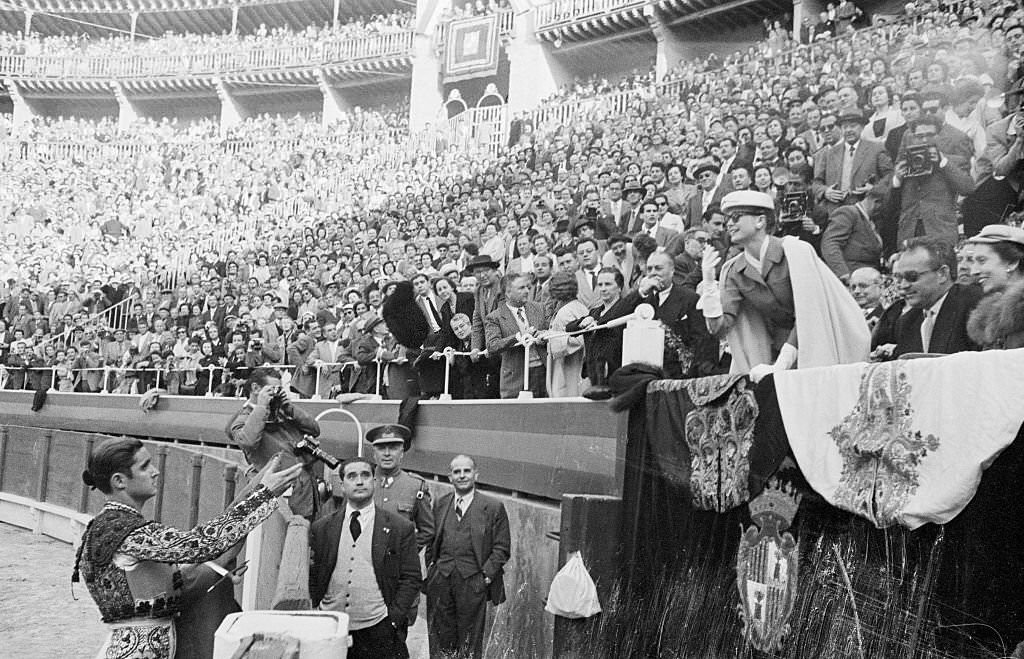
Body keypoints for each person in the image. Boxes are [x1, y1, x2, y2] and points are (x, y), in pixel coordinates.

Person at [74, 437, 301, 659]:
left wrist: (214, 572)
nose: (155, 471)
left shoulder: (118, 525)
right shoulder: (120, 530)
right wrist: (263, 495)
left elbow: (158, 584)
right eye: (144, 467)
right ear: (119, 481)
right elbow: (201, 544)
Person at [699, 190, 869, 377]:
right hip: (775, 355)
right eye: (727, 219)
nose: (729, 224)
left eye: (736, 217)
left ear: (760, 221)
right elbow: (720, 328)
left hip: (820, 346)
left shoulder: (795, 252)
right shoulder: (734, 270)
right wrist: (708, 282)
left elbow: (810, 313)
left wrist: (782, 364)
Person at [309, 457, 421, 659]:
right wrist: (317, 609)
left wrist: (393, 619)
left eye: (365, 475)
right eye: (352, 476)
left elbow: (411, 577)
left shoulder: (399, 527)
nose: (359, 481)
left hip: (377, 627)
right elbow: (314, 574)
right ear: (342, 486)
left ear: (375, 482)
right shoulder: (322, 528)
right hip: (331, 626)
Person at [426, 455, 510, 659]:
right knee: (440, 638)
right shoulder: (441, 503)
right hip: (441, 579)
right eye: (457, 472)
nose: (462, 475)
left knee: (470, 641)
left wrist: (485, 577)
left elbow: (502, 547)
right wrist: (432, 569)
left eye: (466, 471)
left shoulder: (492, 506)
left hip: (473, 581)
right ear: (450, 477)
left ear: (475, 474)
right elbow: (432, 538)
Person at [225, 366, 324, 520]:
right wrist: (261, 405)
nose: (276, 393)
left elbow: (315, 429)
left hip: (304, 491)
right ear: (256, 388)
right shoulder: (244, 418)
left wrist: (289, 407)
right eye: (272, 389)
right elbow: (248, 441)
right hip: (281, 498)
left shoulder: (282, 412)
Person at [872, 236, 982, 359]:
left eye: (912, 277)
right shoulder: (906, 322)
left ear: (942, 274)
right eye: (899, 278)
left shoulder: (975, 305)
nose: (903, 285)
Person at [891, 116, 976, 248]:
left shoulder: (953, 161)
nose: (925, 139)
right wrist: (897, 179)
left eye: (930, 135)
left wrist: (943, 162)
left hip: (940, 231)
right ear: (912, 137)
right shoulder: (905, 162)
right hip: (910, 230)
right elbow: (891, 202)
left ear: (938, 136)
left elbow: (967, 188)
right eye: (919, 136)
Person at [812, 108, 893, 215]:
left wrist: (873, 188)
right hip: (836, 211)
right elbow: (816, 183)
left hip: (866, 210)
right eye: (845, 127)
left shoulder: (876, 148)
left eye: (853, 126)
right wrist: (826, 192)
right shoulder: (829, 153)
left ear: (862, 127)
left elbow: (890, 175)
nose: (849, 130)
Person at [484, 273, 549, 398]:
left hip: (543, 372)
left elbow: (549, 330)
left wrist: (543, 336)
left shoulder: (539, 308)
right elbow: (492, 345)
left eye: (527, 287)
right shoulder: (494, 317)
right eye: (521, 288)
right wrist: (518, 337)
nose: (526, 291)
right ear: (508, 293)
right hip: (515, 377)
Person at [566, 267, 633, 386]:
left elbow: (611, 323)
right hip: (592, 372)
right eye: (600, 284)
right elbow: (569, 329)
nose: (603, 289)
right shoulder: (594, 312)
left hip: (615, 372)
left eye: (607, 284)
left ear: (619, 287)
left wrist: (597, 323)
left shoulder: (625, 309)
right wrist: (582, 322)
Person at [966, 225, 1024, 349]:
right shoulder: (991, 318)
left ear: (1012, 262)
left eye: (982, 261)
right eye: (973, 262)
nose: (973, 271)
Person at [820, 189, 885, 282]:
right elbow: (830, 243)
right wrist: (844, 274)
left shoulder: (872, 221)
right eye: (882, 206)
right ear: (876, 202)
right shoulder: (848, 213)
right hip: (852, 279)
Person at [545, 272, 590, 397]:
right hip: (578, 363)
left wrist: (549, 337)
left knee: (566, 393)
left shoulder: (565, 312)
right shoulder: (580, 306)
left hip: (568, 365)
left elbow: (578, 340)